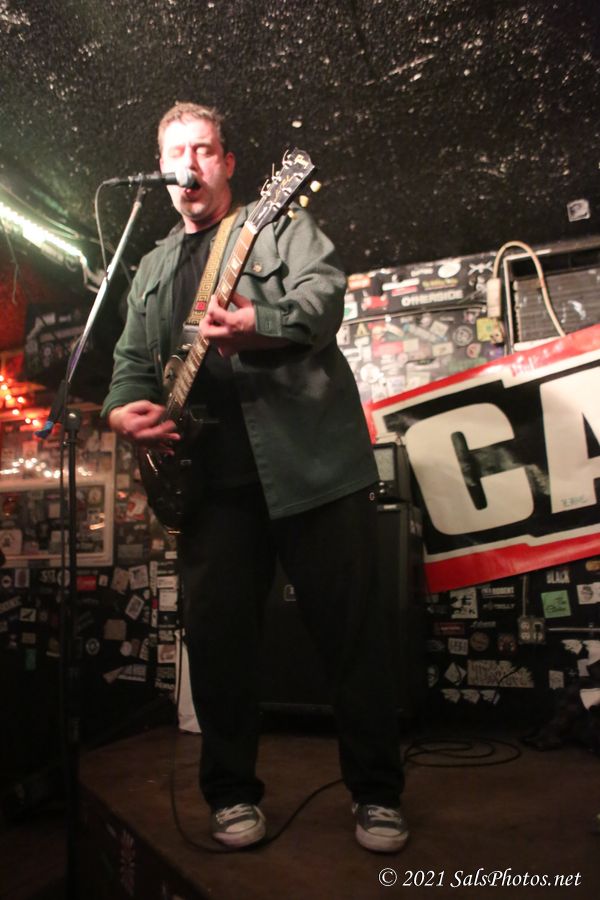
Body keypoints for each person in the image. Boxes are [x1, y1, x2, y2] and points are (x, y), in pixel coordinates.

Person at [102, 102, 407, 853]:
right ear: (160, 169)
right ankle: (232, 795)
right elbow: (131, 363)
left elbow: (323, 298)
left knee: (352, 636)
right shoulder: (151, 268)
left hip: (310, 469)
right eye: (177, 153)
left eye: (204, 150)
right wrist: (119, 411)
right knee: (218, 646)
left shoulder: (276, 224)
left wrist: (259, 324)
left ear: (229, 163)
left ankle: (377, 795)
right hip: (210, 488)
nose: (190, 164)